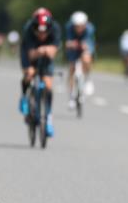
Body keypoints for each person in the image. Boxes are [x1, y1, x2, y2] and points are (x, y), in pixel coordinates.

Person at [19, 7, 60, 137]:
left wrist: (45, 50)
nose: (42, 35)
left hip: (46, 56)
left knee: (48, 85)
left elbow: (53, 52)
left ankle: (48, 118)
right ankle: (25, 96)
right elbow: (31, 55)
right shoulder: (28, 30)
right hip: (29, 51)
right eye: (39, 31)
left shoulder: (55, 29)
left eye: (45, 32)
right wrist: (42, 50)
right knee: (30, 73)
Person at [64, 10, 96, 108]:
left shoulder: (90, 29)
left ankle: (87, 79)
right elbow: (68, 42)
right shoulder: (69, 27)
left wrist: (85, 46)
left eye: (81, 26)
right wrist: (70, 44)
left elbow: (89, 42)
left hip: (85, 44)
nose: (78, 28)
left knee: (86, 58)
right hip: (73, 46)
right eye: (76, 26)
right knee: (72, 68)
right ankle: (71, 97)